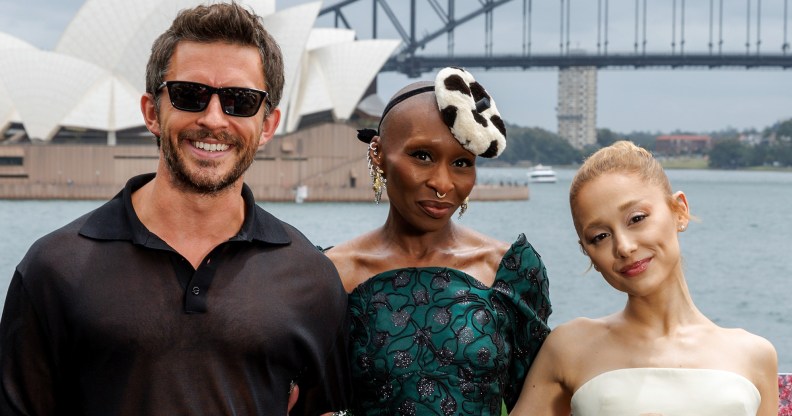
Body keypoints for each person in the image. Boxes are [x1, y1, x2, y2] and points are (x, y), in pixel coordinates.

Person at [0, 3, 350, 415]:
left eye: (240, 100)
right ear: (152, 111)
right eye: (190, 95)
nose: (213, 118)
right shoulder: (54, 268)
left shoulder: (310, 276)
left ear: (268, 125)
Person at [324, 67, 552, 415]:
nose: (443, 183)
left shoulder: (509, 273)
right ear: (378, 154)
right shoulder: (330, 275)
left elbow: (543, 402)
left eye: (462, 162)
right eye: (423, 156)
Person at [510, 140, 779, 416]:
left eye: (636, 218)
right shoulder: (568, 348)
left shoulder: (754, 355)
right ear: (587, 252)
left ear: (679, 211)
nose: (624, 247)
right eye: (600, 237)